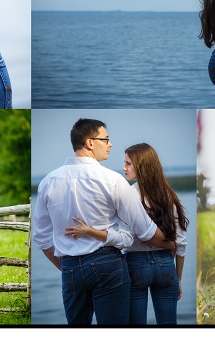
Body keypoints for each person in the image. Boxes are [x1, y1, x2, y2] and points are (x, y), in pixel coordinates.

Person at [32, 118, 174, 325]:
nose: (110, 144)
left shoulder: (48, 182)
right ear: (90, 143)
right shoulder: (113, 180)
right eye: (105, 139)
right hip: (108, 264)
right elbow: (145, 230)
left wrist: (69, 268)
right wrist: (169, 243)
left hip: (70, 266)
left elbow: (42, 239)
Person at [65, 143, 188, 325]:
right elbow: (181, 243)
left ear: (142, 166)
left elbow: (125, 237)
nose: (124, 168)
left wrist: (91, 231)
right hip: (165, 265)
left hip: (136, 265)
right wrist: (178, 278)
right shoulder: (169, 195)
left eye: (128, 163)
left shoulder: (129, 194)